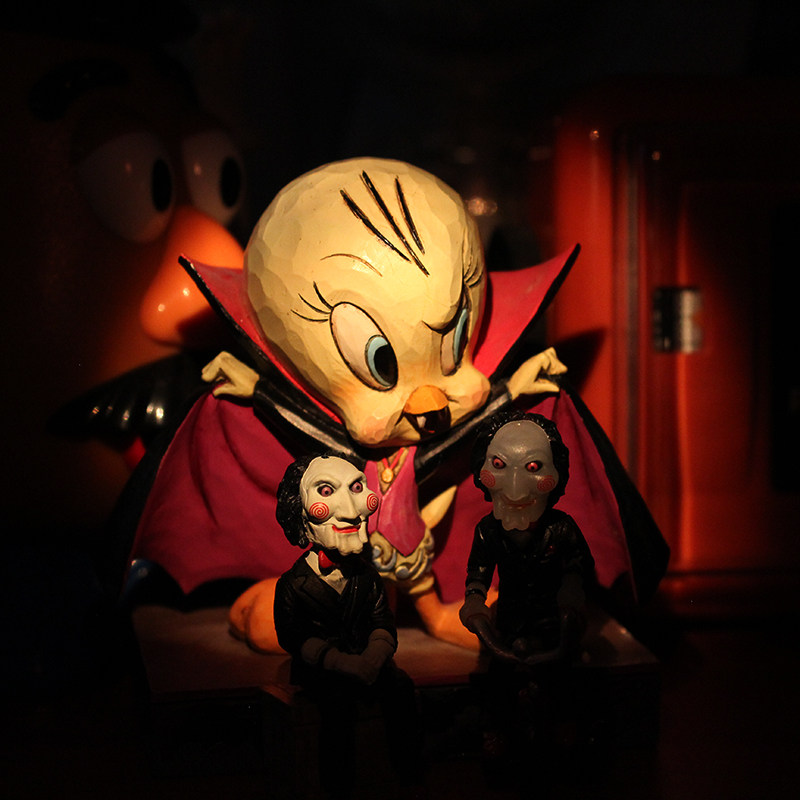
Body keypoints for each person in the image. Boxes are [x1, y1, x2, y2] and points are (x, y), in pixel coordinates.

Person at [272, 452, 422, 798]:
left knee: (400, 687)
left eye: (356, 488)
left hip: (368, 664)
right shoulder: (293, 584)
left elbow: (382, 620)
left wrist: (374, 656)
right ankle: (338, 787)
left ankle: (408, 776)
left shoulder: (367, 576)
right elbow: (293, 635)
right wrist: (340, 662)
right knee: (336, 708)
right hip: (323, 673)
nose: (352, 510)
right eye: (326, 491)